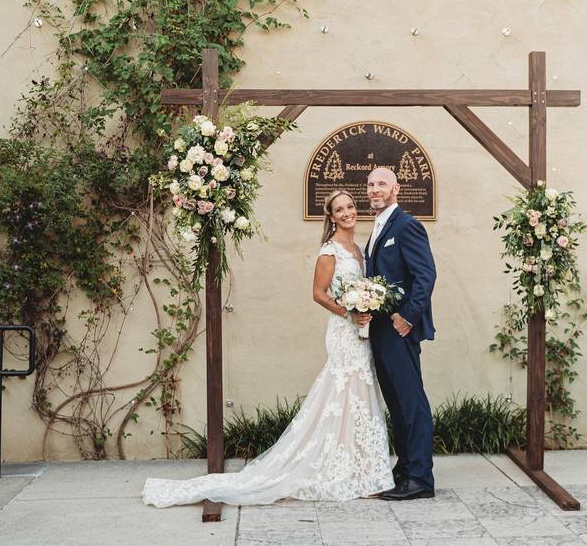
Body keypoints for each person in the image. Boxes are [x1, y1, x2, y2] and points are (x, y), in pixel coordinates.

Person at [142, 190, 393, 508]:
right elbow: (318, 293)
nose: (347, 213)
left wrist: (365, 307)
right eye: (339, 209)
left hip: (361, 333)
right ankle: (352, 473)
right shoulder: (330, 252)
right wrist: (350, 312)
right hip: (343, 332)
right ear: (330, 217)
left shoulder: (358, 249)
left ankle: (361, 471)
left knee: (358, 396)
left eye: (350, 207)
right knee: (347, 394)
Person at [358, 167, 437, 501]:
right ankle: (405, 470)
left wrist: (406, 317)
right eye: (371, 184)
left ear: (396, 189)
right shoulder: (378, 227)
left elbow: (425, 275)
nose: (376, 189)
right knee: (397, 405)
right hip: (380, 330)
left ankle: (420, 478)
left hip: (399, 329)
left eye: (382, 184)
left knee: (412, 403)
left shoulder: (406, 225)